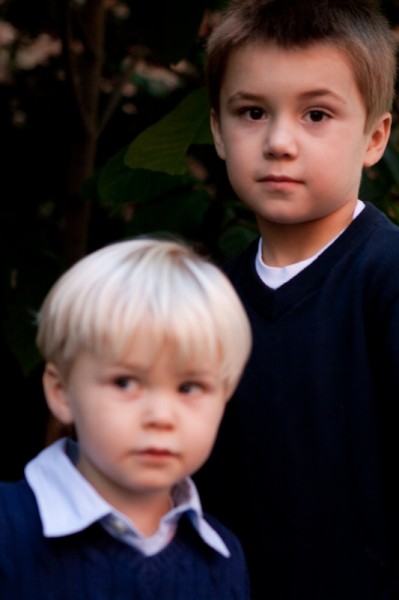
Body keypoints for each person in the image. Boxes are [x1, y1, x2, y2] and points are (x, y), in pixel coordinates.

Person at [194, 1, 399, 599]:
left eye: (316, 114)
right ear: (217, 131)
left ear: (374, 136)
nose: (280, 142)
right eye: (253, 112)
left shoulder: (385, 278)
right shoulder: (211, 300)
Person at [0, 237, 252, 599]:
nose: (161, 417)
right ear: (61, 392)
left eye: (189, 387)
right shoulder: (8, 529)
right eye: (125, 382)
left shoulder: (222, 561)